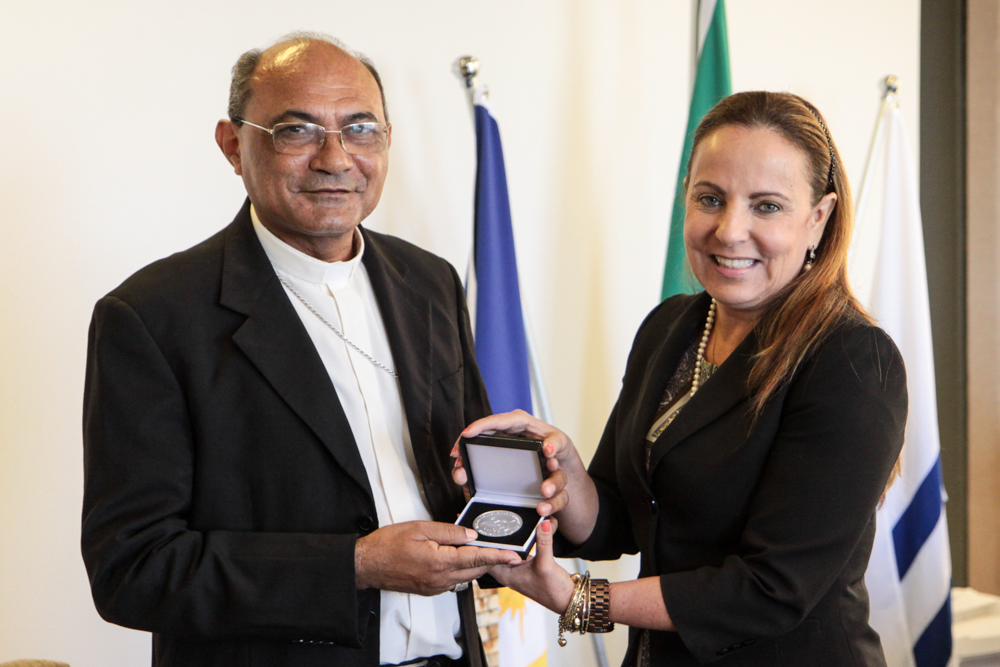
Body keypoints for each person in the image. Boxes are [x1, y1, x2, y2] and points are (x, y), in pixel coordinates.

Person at [81, 33, 522, 667]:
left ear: (387, 140)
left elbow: (463, 474)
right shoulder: (153, 317)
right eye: (296, 131)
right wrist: (356, 565)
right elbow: (133, 568)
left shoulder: (430, 282)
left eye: (360, 129)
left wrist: (528, 491)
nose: (335, 159)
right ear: (233, 146)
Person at [455, 92, 907, 666]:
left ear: (818, 217)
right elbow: (620, 519)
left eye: (767, 206)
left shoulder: (853, 360)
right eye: (710, 199)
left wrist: (579, 599)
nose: (730, 230)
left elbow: (772, 589)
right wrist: (563, 467)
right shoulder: (671, 326)